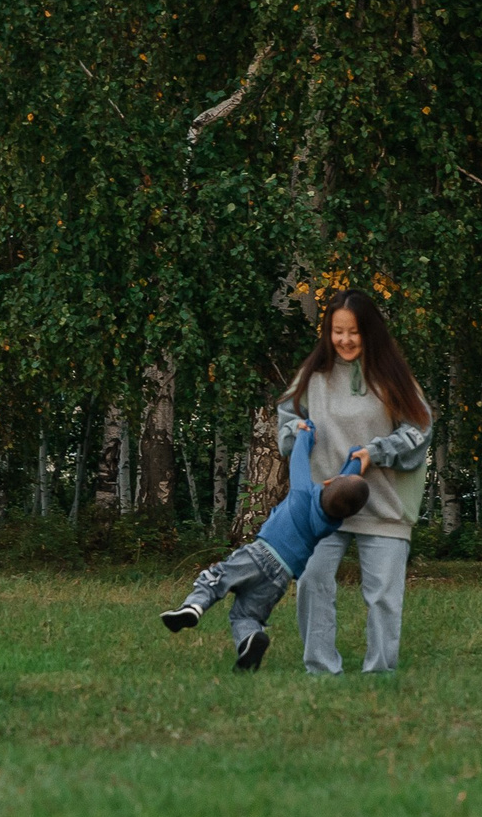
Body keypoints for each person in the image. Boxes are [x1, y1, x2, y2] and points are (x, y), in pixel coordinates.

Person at [282, 289, 432, 674]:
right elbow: (285, 421)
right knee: (312, 581)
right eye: (337, 332)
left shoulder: (393, 377)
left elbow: (419, 431)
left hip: (382, 505)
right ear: (327, 333)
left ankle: (380, 673)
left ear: (370, 331)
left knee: (383, 594)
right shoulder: (311, 377)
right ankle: (320, 669)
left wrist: (375, 452)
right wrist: (295, 430)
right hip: (323, 504)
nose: (345, 340)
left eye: (354, 332)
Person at [159, 427, 370, 671]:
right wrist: (357, 458)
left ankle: (192, 608)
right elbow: (346, 487)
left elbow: (299, 459)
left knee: (216, 579)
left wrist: (306, 434)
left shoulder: (302, 493)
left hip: (259, 555)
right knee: (246, 615)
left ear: (328, 481)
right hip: (282, 578)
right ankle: (249, 641)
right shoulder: (331, 524)